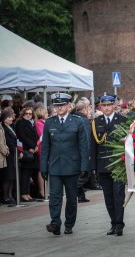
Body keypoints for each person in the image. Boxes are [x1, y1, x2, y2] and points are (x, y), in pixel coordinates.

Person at [40, 93, 89, 235]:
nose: (59, 107)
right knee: (54, 197)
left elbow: (83, 146)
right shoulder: (49, 122)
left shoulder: (77, 121)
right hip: (55, 167)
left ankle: (69, 224)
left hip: (72, 167)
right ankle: (55, 224)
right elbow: (45, 148)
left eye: (62, 105)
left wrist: (84, 167)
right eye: (57, 105)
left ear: (69, 105)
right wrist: (43, 166)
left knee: (72, 199)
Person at [91, 94, 127, 236]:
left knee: (118, 195)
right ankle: (113, 222)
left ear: (114, 106)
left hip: (118, 164)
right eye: (103, 105)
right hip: (102, 164)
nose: (106, 108)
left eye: (109, 105)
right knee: (108, 197)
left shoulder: (123, 120)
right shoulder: (96, 122)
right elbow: (93, 146)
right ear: (100, 106)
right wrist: (93, 167)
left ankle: (119, 224)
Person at [15, 107, 39, 202]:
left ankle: (27, 193)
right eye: (26, 113)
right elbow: (22, 136)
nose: (28, 115)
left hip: (32, 150)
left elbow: (35, 135)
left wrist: (36, 146)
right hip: (26, 150)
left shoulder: (32, 122)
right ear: (23, 114)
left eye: (30, 113)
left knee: (29, 173)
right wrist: (32, 146)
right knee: (25, 173)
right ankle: (23, 193)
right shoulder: (21, 123)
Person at [1, 108, 20, 205]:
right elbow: (7, 141)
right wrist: (13, 149)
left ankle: (10, 195)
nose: (11, 118)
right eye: (8, 117)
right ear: (4, 118)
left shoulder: (11, 127)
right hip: (8, 154)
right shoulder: (3, 128)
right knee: (8, 176)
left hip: (14, 153)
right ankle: (6, 196)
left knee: (12, 176)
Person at [74, 101, 92, 203]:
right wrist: (88, 153)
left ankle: (81, 195)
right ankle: (74, 189)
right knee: (85, 174)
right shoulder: (84, 120)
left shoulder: (73, 118)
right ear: (84, 109)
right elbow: (87, 138)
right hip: (83, 152)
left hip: (75, 152)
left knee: (79, 174)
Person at [35, 107, 48, 199]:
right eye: (46, 113)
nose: (47, 114)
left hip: (45, 147)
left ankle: (46, 189)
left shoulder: (44, 123)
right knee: (41, 169)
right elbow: (42, 135)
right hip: (41, 148)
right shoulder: (39, 123)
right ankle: (42, 191)